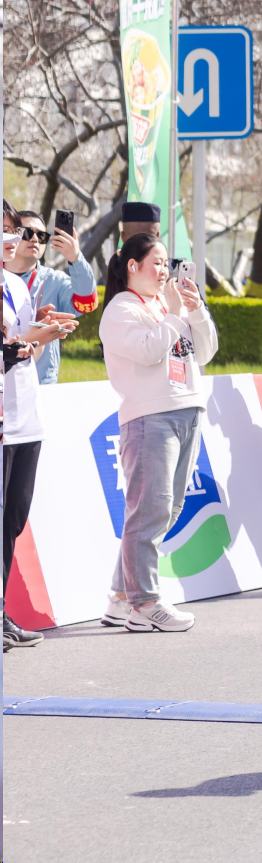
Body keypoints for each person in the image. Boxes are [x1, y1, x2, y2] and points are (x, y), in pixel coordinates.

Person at [98, 233, 218, 631]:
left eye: (168, 263)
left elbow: (206, 352)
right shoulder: (121, 308)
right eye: (157, 262)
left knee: (167, 508)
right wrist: (174, 313)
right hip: (150, 417)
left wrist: (195, 311)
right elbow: (150, 351)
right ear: (133, 266)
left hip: (187, 410)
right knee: (149, 511)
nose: (165, 270)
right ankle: (145, 602)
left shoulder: (169, 306)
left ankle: (122, 596)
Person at [1, 207, 74, 649]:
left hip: (26, 419)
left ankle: (1, 613)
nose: (13, 239)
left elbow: (24, 345)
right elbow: (11, 350)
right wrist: (26, 343)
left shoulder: (15, 285)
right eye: (8, 232)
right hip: (3, 424)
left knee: (12, 520)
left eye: (15, 231)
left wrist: (41, 329)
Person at [4, 208, 95, 385]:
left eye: (42, 236)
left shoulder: (55, 280)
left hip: (41, 384)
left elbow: (86, 301)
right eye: (27, 232)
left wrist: (75, 258)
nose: (35, 239)